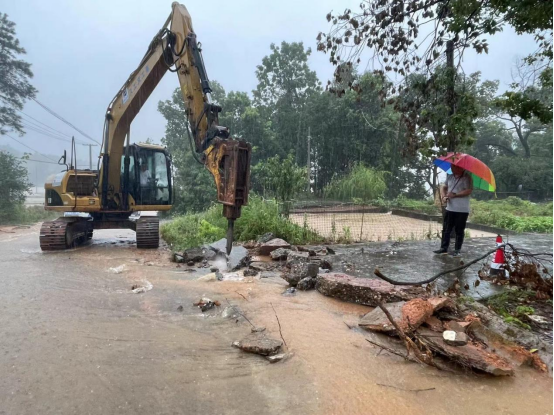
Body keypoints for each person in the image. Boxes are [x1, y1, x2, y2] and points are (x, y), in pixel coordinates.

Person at [434, 165, 473, 257]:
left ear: (461, 167)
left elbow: (468, 191)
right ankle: (444, 248)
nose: (452, 168)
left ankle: (457, 249)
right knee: (446, 229)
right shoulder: (450, 176)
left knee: (459, 230)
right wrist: (444, 196)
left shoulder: (467, 178)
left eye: (454, 167)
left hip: (462, 209)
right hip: (450, 208)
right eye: (451, 167)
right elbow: (444, 187)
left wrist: (455, 194)